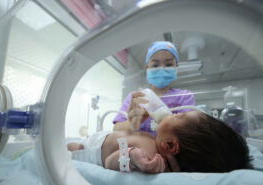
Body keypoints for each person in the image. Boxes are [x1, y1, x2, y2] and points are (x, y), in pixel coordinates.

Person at [68, 110, 252, 173]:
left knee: (68, 147)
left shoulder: (148, 157)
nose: (172, 113)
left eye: (179, 115)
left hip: (89, 151)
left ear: (170, 145)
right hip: (97, 138)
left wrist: (130, 157)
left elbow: (109, 163)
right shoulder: (155, 142)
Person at [113, 41, 196, 135]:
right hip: (141, 148)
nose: (162, 69)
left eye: (168, 65)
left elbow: (190, 131)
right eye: (155, 65)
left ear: (176, 67)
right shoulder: (136, 97)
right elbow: (116, 128)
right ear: (147, 68)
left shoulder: (184, 96)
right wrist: (131, 124)